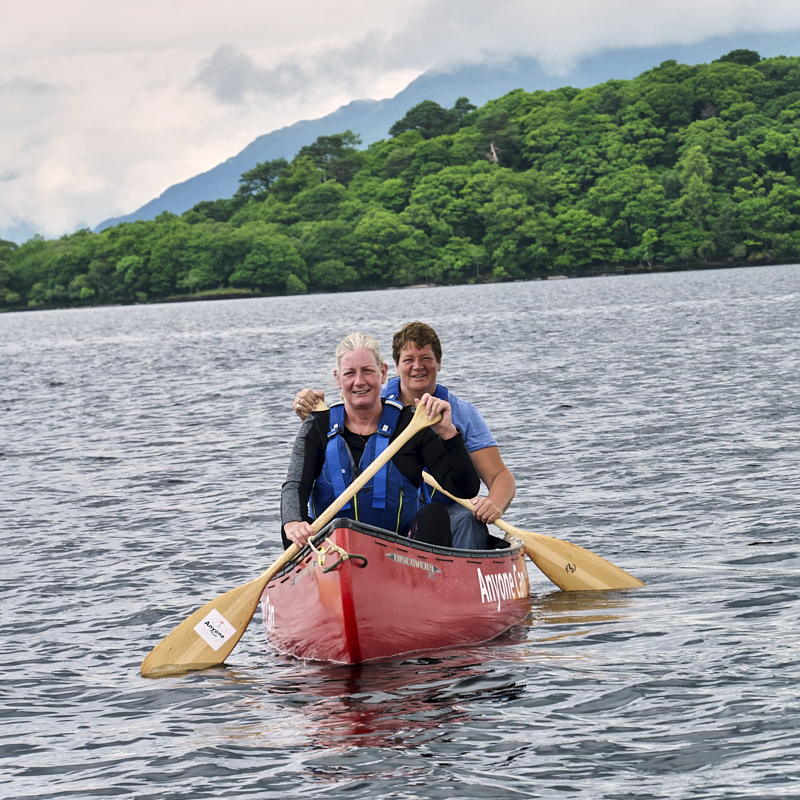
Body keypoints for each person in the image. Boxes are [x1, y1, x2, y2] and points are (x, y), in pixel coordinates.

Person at [293, 322, 516, 549]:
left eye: (426, 358)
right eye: (409, 360)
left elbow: (492, 480)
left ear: (439, 363)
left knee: (462, 519)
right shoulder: (373, 401)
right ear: (395, 369)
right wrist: (309, 418)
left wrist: (492, 504)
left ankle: (460, 577)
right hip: (369, 526)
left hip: (438, 514)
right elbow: (348, 409)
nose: (417, 367)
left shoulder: (460, 414)